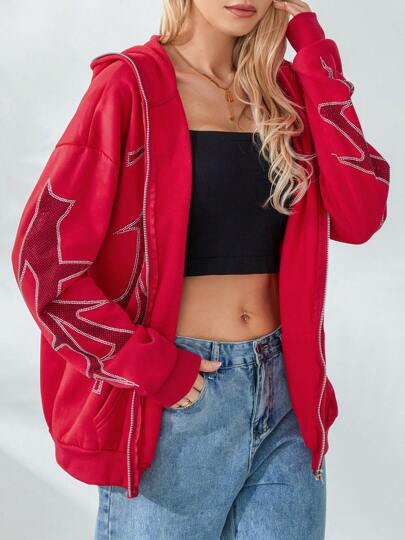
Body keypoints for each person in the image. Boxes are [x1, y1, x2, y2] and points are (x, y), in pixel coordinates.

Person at [10, 1, 390, 538]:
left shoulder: (286, 91)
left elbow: (361, 214)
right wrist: (151, 366)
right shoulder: (129, 87)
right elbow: (42, 260)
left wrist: (311, 46)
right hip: (178, 403)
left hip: (287, 399)